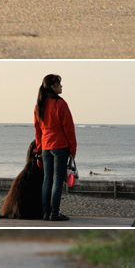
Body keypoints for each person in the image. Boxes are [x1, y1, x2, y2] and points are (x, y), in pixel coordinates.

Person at [34, 74, 77, 222]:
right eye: (59, 84)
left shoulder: (39, 105)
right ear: (53, 87)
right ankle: (54, 213)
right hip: (60, 146)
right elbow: (69, 128)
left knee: (47, 180)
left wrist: (39, 148)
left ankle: (46, 213)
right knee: (57, 181)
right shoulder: (60, 104)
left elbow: (37, 129)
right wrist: (73, 149)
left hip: (46, 146)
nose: (61, 86)